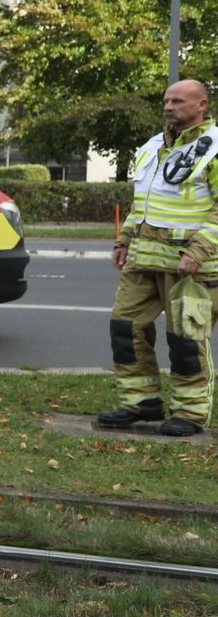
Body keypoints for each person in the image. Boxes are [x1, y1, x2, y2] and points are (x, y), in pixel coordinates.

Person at [96, 79, 218, 437]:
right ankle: (141, 402)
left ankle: (191, 414)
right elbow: (143, 201)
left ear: (202, 105)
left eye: (178, 101)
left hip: (191, 268)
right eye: (166, 101)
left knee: (186, 341)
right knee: (124, 327)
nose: (169, 107)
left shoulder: (214, 149)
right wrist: (124, 240)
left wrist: (198, 251)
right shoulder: (153, 146)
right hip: (143, 261)